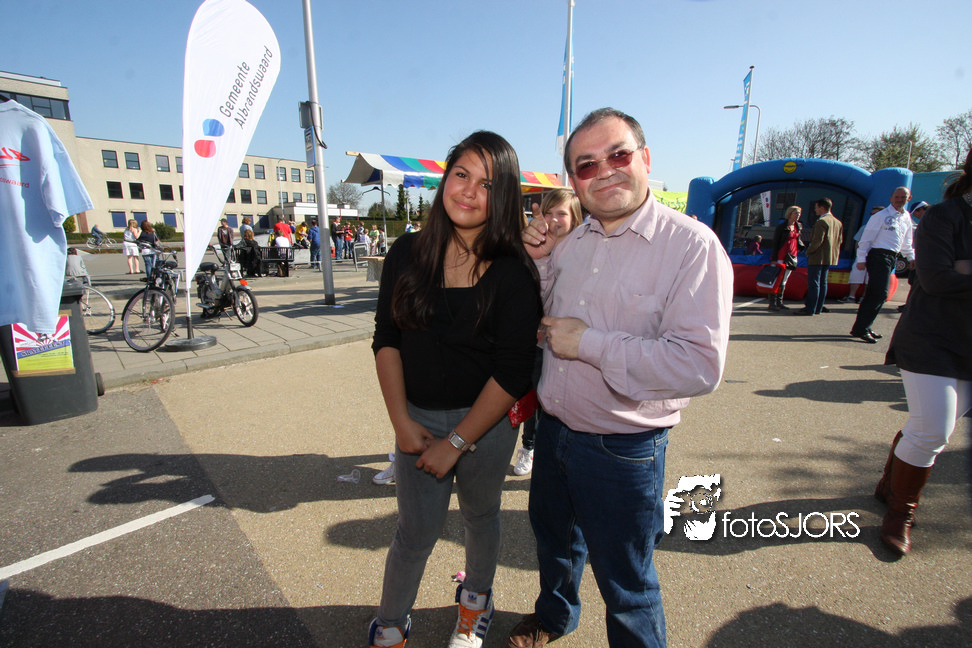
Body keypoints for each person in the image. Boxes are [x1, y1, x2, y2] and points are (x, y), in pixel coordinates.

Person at [508, 108, 732, 648]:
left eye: (618, 154)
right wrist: (541, 263)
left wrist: (589, 343)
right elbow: (547, 320)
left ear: (645, 158)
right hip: (555, 432)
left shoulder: (692, 246)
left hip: (623, 448)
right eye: (586, 164)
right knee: (555, 546)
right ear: (573, 180)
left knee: (626, 582)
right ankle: (555, 618)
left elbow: (698, 365)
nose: (604, 170)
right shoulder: (573, 243)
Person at [368, 131, 542, 648]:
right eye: (461, 174)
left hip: (486, 427)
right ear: (445, 180)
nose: (468, 190)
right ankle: (390, 623)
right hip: (417, 420)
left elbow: (513, 372)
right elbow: (386, 338)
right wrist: (402, 423)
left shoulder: (514, 270)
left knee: (481, 516)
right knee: (414, 531)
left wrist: (458, 442)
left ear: (503, 195)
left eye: (487, 184)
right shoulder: (406, 252)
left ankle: (474, 608)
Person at [874, 148, 972, 556]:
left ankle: (889, 484)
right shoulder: (945, 216)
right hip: (932, 338)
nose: (900, 199)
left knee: (929, 426)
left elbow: (956, 275)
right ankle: (901, 512)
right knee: (934, 428)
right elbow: (935, 279)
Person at [512, 188, 582, 477]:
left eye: (561, 214)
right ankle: (529, 446)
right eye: (548, 212)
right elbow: (536, 298)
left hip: (577, 347)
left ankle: (554, 452)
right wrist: (541, 259)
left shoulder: (584, 252)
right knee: (536, 396)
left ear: (575, 219)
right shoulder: (538, 250)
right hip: (542, 343)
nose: (553, 219)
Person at [850, 187, 915, 343]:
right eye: (897, 197)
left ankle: (863, 327)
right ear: (891, 198)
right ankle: (862, 328)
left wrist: (911, 257)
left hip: (892, 257)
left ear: (909, 198)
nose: (899, 200)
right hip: (879, 256)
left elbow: (906, 240)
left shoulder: (906, 216)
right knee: (879, 293)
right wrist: (861, 259)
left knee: (877, 293)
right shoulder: (881, 216)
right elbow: (866, 239)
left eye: (903, 197)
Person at [794, 197, 843, 316]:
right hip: (829, 256)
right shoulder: (837, 222)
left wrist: (808, 251)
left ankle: (810, 308)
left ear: (822, 207)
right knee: (823, 282)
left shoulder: (822, 221)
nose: (815, 210)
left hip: (817, 256)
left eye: (816, 207)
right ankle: (818, 307)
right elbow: (840, 240)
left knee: (814, 283)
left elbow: (817, 241)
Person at [840, 205, 883, 303]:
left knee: (870, 278)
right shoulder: (864, 227)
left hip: (876, 257)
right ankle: (852, 296)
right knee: (856, 276)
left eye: (875, 214)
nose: (873, 216)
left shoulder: (884, 230)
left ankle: (864, 297)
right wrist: (859, 256)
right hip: (862, 256)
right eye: (871, 214)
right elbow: (857, 242)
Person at [767, 206, 803, 311]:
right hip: (781, 256)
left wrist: (800, 247)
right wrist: (774, 258)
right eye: (795, 213)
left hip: (792, 256)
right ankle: (772, 302)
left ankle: (779, 302)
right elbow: (775, 243)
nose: (798, 215)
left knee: (784, 280)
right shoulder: (782, 227)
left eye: (799, 213)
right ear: (789, 214)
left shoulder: (798, 226)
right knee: (776, 279)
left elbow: (798, 239)